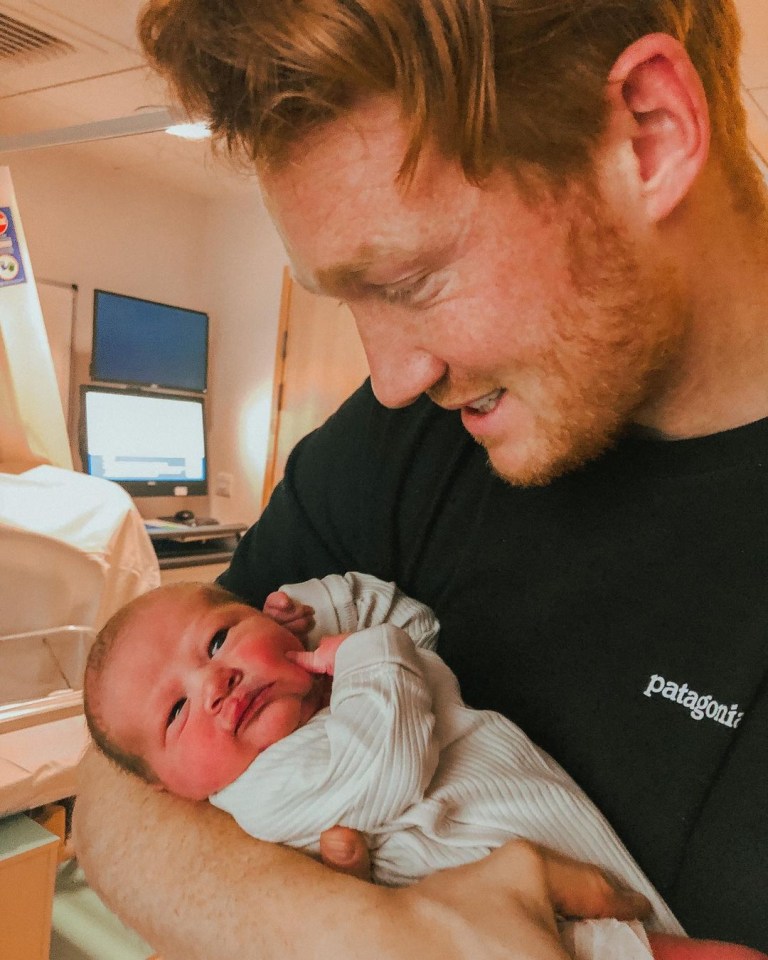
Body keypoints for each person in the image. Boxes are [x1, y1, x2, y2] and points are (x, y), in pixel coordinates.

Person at [73, 0, 768, 957]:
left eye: (406, 282)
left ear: (648, 137)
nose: (395, 379)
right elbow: (118, 793)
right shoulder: (400, 442)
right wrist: (379, 936)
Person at [82, 572, 765, 960]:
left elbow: (419, 630)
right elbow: (387, 763)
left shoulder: (346, 675)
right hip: (540, 937)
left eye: (220, 638)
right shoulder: (265, 788)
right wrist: (362, 652)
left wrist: (328, 611)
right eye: (175, 713)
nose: (213, 684)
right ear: (171, 789)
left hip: (565, 876)